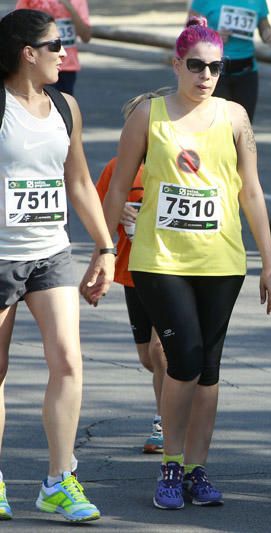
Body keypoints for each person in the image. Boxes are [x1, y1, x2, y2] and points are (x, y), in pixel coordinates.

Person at [100, 16, 271, 510]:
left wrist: (269, 262)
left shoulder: (234, 116)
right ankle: (170, 467)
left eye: (215, 67)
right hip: (160, 259)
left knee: (207, 368)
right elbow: (118, 186)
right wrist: (102, 249)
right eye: (196, 65)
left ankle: (197, 471)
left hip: (221, 261)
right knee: (181, 361)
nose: (205, 75)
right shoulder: (149, 114)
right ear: (176, 63)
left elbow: (251, 190)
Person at [0, 8, 114, 522]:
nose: (63, 53)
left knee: (68, 362)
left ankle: (58, 479)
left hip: (50, 252)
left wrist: (105, 248)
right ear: (28, 53)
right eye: (54, 45)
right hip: (1, 254)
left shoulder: (65, 107)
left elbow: (80, 183)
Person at [95, 89, 173, 455]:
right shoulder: (117, 169)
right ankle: (174, 402)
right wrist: (119, 216)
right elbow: (99, 218)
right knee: (147, 356)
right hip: (131, 272)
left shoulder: (177, 164)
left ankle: (166, 422)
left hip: (169, 268)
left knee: (162, 350)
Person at [188, 0, 271, 121]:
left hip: (247, 71)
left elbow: (264, 25)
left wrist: (268, 34)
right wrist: (212, 35)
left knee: (244, 125)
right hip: (214, 72)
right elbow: (189, 31)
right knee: (217, 125)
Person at [14, 0, 91, 95]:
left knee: (64, 106)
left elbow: (86, 37)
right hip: (39, 65)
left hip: (67, 67)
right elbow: (17, 29)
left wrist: (69, 7)